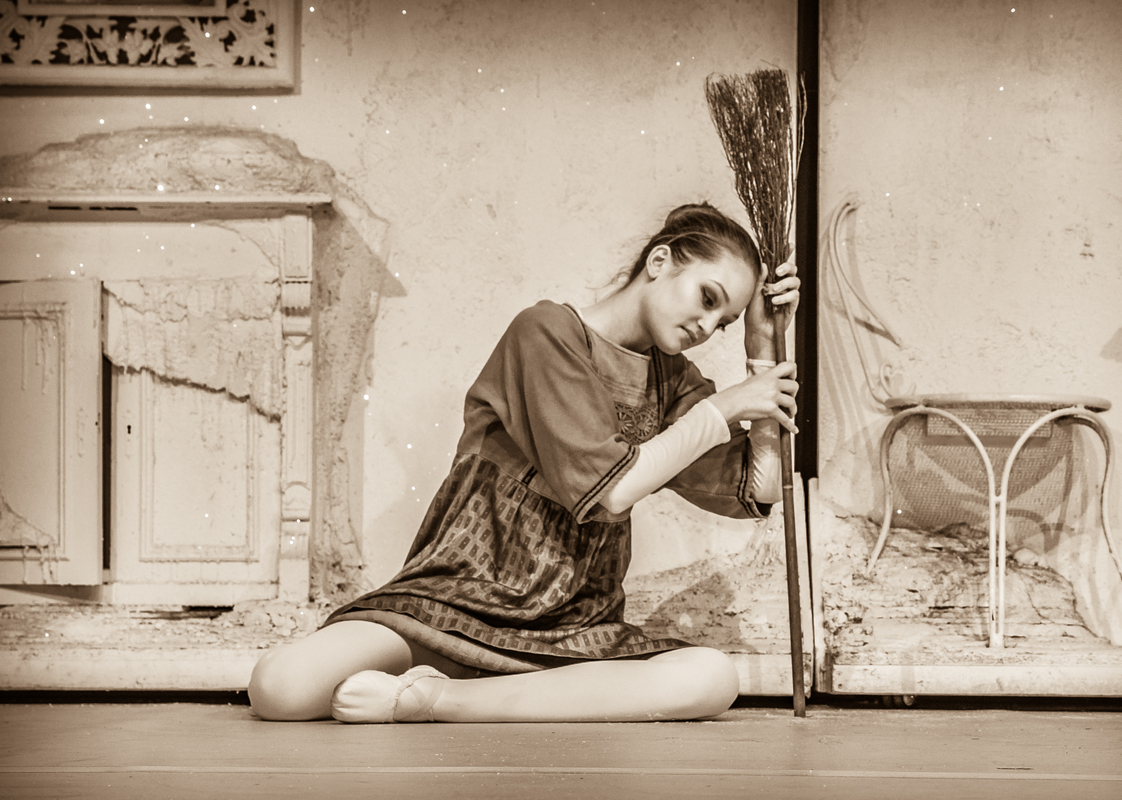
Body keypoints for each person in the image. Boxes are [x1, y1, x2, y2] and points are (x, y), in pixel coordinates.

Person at [248, 202, 800, 724]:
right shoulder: (546, 331)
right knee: (281, 687)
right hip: (459, 601)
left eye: (723, 322)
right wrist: (723, 408)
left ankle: (441, 700)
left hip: (572, 629)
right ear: (660, 261)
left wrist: (762, 348)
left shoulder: (674, 384)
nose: (707, 326)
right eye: (708, 297)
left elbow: (762, 488)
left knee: (711, 677)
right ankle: (465, 685)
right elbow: (610, 490)